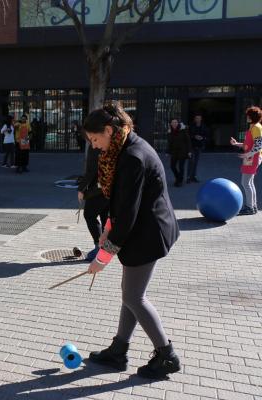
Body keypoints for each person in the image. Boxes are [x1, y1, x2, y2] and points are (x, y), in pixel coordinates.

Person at [82, 104, 181, 379]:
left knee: (134, 296)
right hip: (141, 229)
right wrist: (107, 229)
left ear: (109, 130)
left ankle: (167, 356)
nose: (95, 146)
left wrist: (102, 257)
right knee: (130, 293)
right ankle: (118, 350)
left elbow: (128, 214)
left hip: (148, 234)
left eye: (95, 139)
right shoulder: (125, 147)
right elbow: (122, 203)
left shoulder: (133, 157)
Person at [77, 141, 109, 262]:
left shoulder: (95, 144)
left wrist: (81, 188)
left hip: (98, 189)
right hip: (110, 187)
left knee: (89, 215)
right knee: (105, 215)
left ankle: (99, 247)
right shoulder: (111, 142)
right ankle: (105, 247)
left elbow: (91, 170)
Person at [230, 106, 262, 215]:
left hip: (253, 158)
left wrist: (248, 154)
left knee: (245, 182)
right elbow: (248, 144)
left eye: (248, 115)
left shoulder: (257, 127)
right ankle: (253, 206)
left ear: (252, 116)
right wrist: (236, 144)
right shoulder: (253, 127)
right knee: (249, 183)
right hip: (251, 157)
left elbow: (259, 145)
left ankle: (249, 207)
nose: (247, 117)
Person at [167, 119, 192, 187]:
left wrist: (189, 151)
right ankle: (178, 177)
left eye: (176, 122)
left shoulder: (183, 130)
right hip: (174, 152)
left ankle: (179, 181)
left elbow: (188, 141)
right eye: (173, 122)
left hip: (182, 151)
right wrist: (168, 151)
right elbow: (170, 142)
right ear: (171, 124)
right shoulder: (170, 131)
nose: (174, 124)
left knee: (181, 167)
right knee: (172, 166)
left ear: (178, 123)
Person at [187, 113, 209, 183]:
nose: (198, 119)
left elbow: (207, 136)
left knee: (195, 162)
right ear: (195, 119)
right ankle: (188, 177)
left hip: (199, 146)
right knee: (191, 161)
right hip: (192, 146)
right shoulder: (191, 126)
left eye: (199, 118)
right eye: (196, 118)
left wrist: (202, 138)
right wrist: (194, 136)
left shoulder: (204, 126)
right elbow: (188, 135)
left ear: (201, 119)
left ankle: (193, 177)